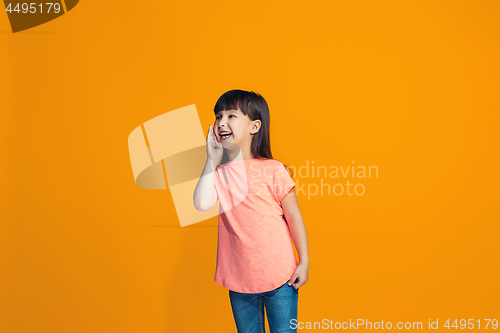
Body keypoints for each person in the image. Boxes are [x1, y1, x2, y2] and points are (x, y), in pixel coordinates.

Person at [193, 89, 309, 332]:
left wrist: (304, 261)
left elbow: (294, 217)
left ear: (254, 126)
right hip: (239, 281)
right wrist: (211, 159)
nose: (221, 122)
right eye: (218, 116)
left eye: (231, 116)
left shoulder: (274, 170)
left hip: (281, 278)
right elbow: (201, 204)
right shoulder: (220, 174)